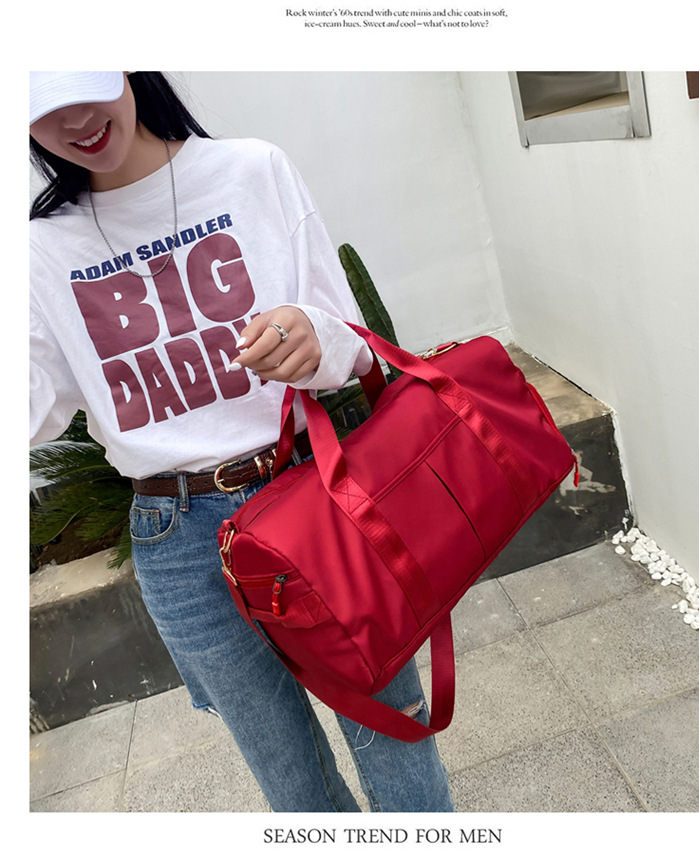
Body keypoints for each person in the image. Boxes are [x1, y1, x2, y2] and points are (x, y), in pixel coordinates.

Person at [29, 71, 454, 813]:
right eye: (43, 108)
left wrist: (311, 334)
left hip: (307, 495)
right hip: (176, 538)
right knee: (292, 780)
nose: (75, 121)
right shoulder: (39, 251)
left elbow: (355, 345)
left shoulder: (252, 172)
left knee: (394, 733)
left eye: (84, 86)